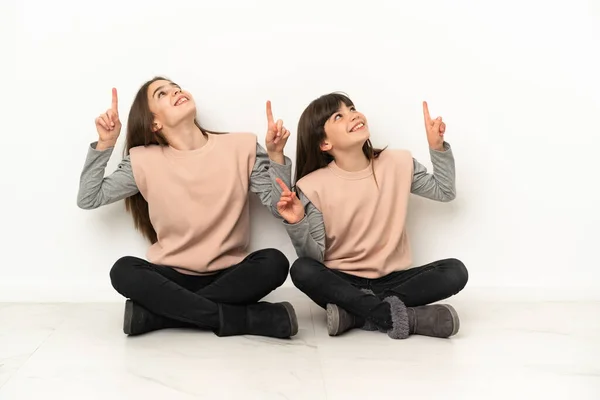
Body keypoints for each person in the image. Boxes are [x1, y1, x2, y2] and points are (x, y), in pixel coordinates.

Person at [77, 77, 298, 339]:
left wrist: (275, 156)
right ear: (154, 122)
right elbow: (89, 198)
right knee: (123, 270)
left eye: (176, 88)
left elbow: (278, 206)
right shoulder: (142, 160)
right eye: (162, 94)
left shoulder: (242, 147)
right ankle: (248, 318)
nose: (176, 92)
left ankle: (158, 315)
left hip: (231, 275)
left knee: (274, 262)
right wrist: (105, 144)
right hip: (172, 278)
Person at [275, 92, 468, 339]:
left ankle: (356, 314)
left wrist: (437, 147)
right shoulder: (312, 186)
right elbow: (314, 258)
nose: (353, 114)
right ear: (325, 144)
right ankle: (401, 317)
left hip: (394, 282)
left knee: (455, 271)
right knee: (302, 269)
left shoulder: (398, 163)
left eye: (352, 108)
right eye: (339, 115)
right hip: (342, 283)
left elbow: (445, 191)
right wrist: (298, 222)